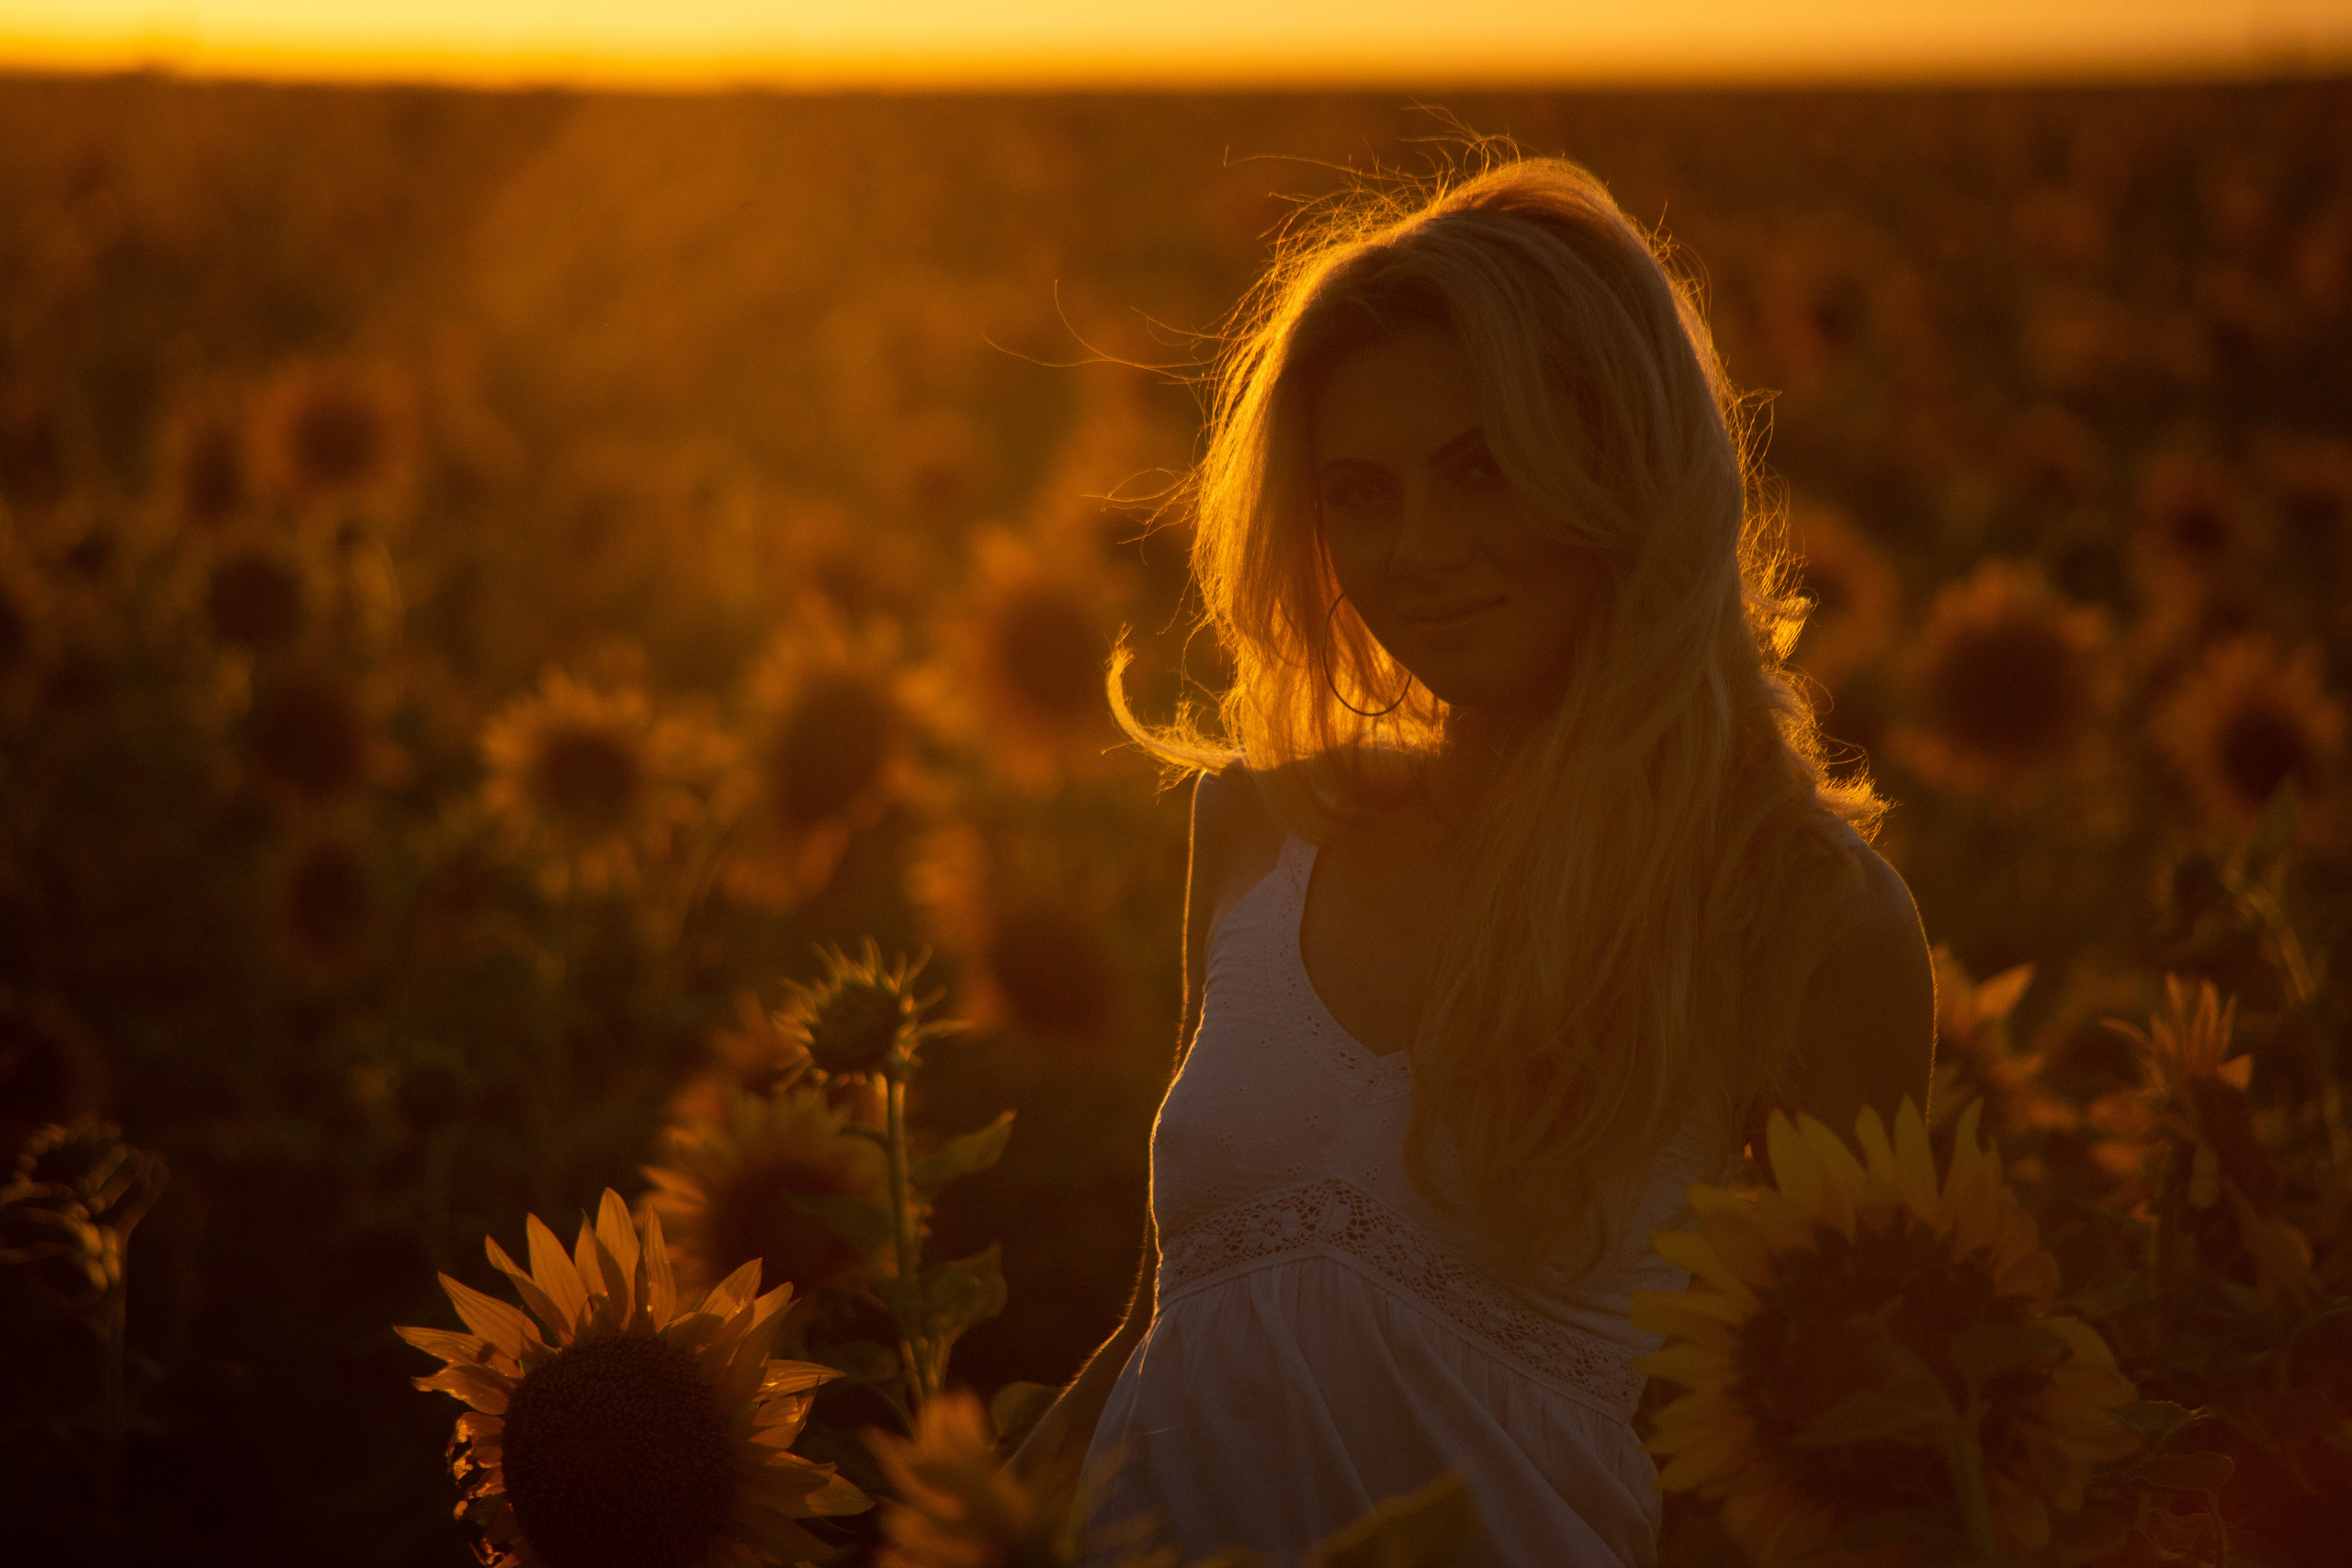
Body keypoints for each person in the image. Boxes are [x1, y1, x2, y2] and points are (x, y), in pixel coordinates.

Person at [1010, 151, 1937, 1567]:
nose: (1418, 551)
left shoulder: (1794, 912)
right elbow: (1167, 1319)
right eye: (1360, 493)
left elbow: (1859, 1458)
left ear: (1622, 464)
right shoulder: (1269, 831)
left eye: (1480, 469)